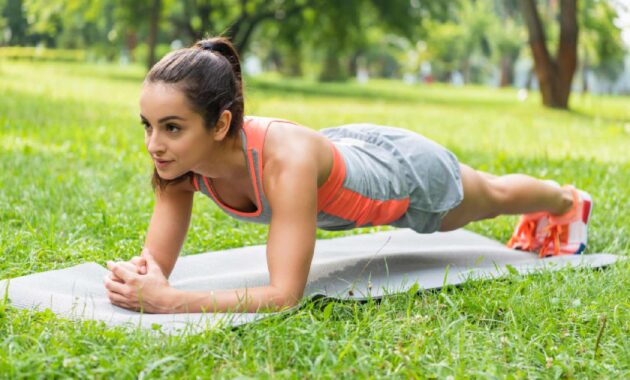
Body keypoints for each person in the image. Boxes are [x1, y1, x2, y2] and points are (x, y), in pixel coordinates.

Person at [103, 37, 592, 314]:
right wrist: (144, 278)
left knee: (491, 193)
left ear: (221, 124)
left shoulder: (284, 163)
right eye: (148, 126)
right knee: (490, 191)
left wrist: (170, 302)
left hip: (401, 176)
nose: (154, 145)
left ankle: (565, 202)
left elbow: (283, 295)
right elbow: (157, 263)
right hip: (339, 147)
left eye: (171, 127)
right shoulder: (178, 165)